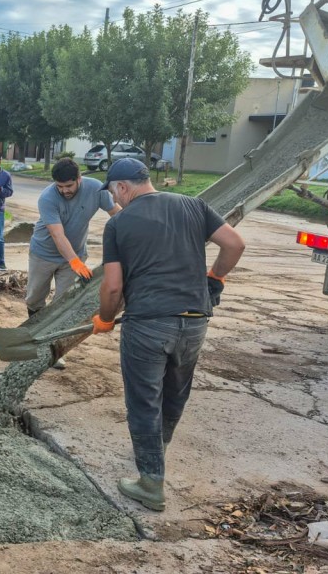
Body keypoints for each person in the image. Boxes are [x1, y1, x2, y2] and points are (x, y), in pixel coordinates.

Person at [91, 158, 245, 512]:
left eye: (115, 192)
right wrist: (215, 279)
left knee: (144, 400)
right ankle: (156, 455)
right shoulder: (193, 205)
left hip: (147, 324)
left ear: (123, 188)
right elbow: (234, 244)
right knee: (175, 393)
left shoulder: (119, 224)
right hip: (194, 320)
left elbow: (113, 287)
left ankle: (150, 482)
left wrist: (104, 318)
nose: (116, 199)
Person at [26, 157, 121, 369]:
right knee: (34, 298)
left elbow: (117, 214)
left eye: (68, 186)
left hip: (75, 255)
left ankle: (51, 349)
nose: (64, 191)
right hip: (43, 253)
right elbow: (58, 236)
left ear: (79, 178)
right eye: (60, 186)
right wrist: (75, 262)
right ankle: (33, 336)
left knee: (62, 304)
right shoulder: (48, 198)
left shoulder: (96, 189)